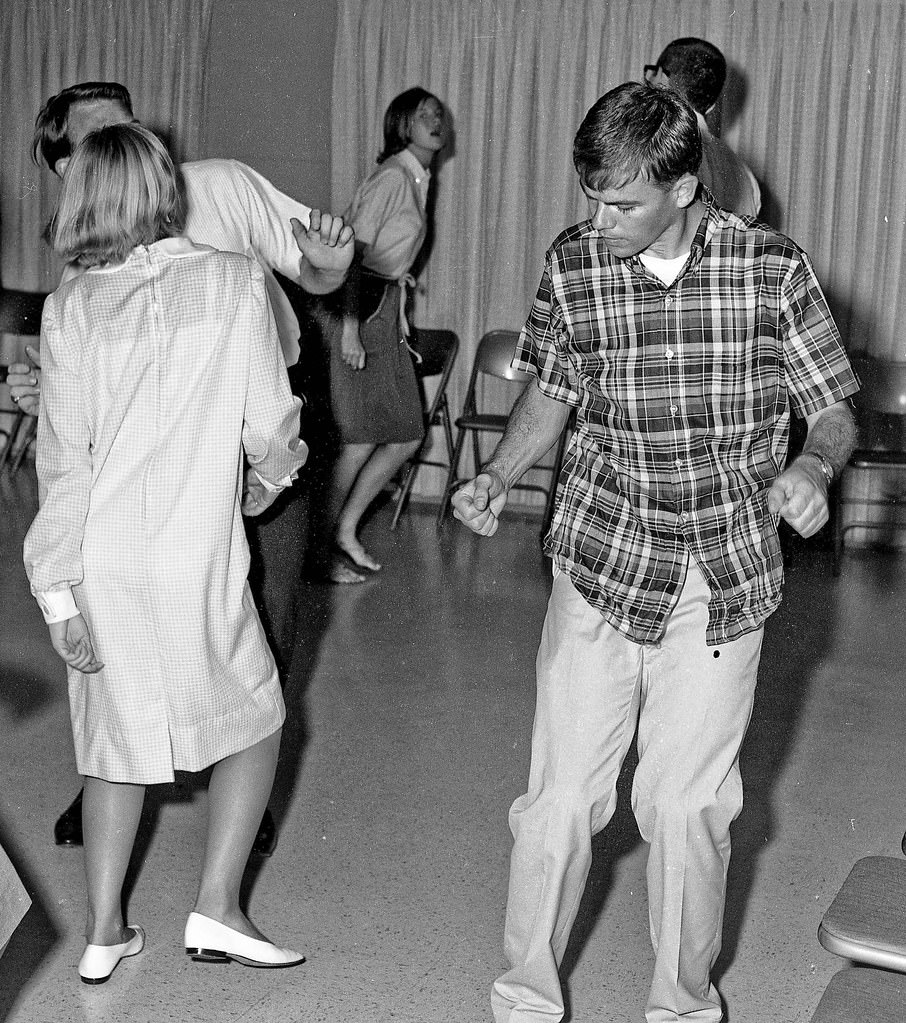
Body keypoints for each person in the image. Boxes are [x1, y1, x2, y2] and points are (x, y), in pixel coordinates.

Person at [453, 83, 858, 1023]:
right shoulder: (575, 264)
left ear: (684, 188)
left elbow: (833, 404)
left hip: (721, 572)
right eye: (591, 197)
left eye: (621, 203)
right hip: (602, 554)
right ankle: (523, 1000)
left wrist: (811, 467)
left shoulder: (771, 269)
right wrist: (500, 473)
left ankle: (681, 1006)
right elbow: (555, 387)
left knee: (685, 808)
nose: (598, 220)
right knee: (559, 802)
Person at [10, 81, 354, 852]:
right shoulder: (83, 255)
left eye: (130, 130)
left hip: (269, 418)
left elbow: (318, 274)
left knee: (268, 608)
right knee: (128, 618)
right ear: (62, 166)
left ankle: (244, 786)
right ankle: (115, 775)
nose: (128, 149)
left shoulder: (223, 184)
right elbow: (86, 408)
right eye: (99, 141)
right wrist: (38, 394)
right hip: (154, 456)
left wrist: (332, 264)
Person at [23, 123, 309, 983]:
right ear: (165, 189)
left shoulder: (69, 306)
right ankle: (217, 906)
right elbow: (271, 420)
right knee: (255, 716)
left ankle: (105, 930)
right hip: (196, 550)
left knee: (114, 741)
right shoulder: (230, 281)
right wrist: (271, 476)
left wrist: (57, 596)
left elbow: (61, 461)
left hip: (103, 558)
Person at [312, 87, 446, 583]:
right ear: (402, 126)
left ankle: (344, 529)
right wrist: (350, 330)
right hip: (358, 308)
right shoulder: (393, 177)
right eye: (423, 114)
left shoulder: (417, 178)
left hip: (385, 308)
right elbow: (350, 252)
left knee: (406, 433)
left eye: (439, 114)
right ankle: (316, 551)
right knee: (357, 439)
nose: (435, 120)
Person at [645, 37, 761, 218]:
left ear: (662, 79)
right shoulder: (746, 176)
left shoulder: (651, 150)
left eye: (651, 75)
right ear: (712, 106)